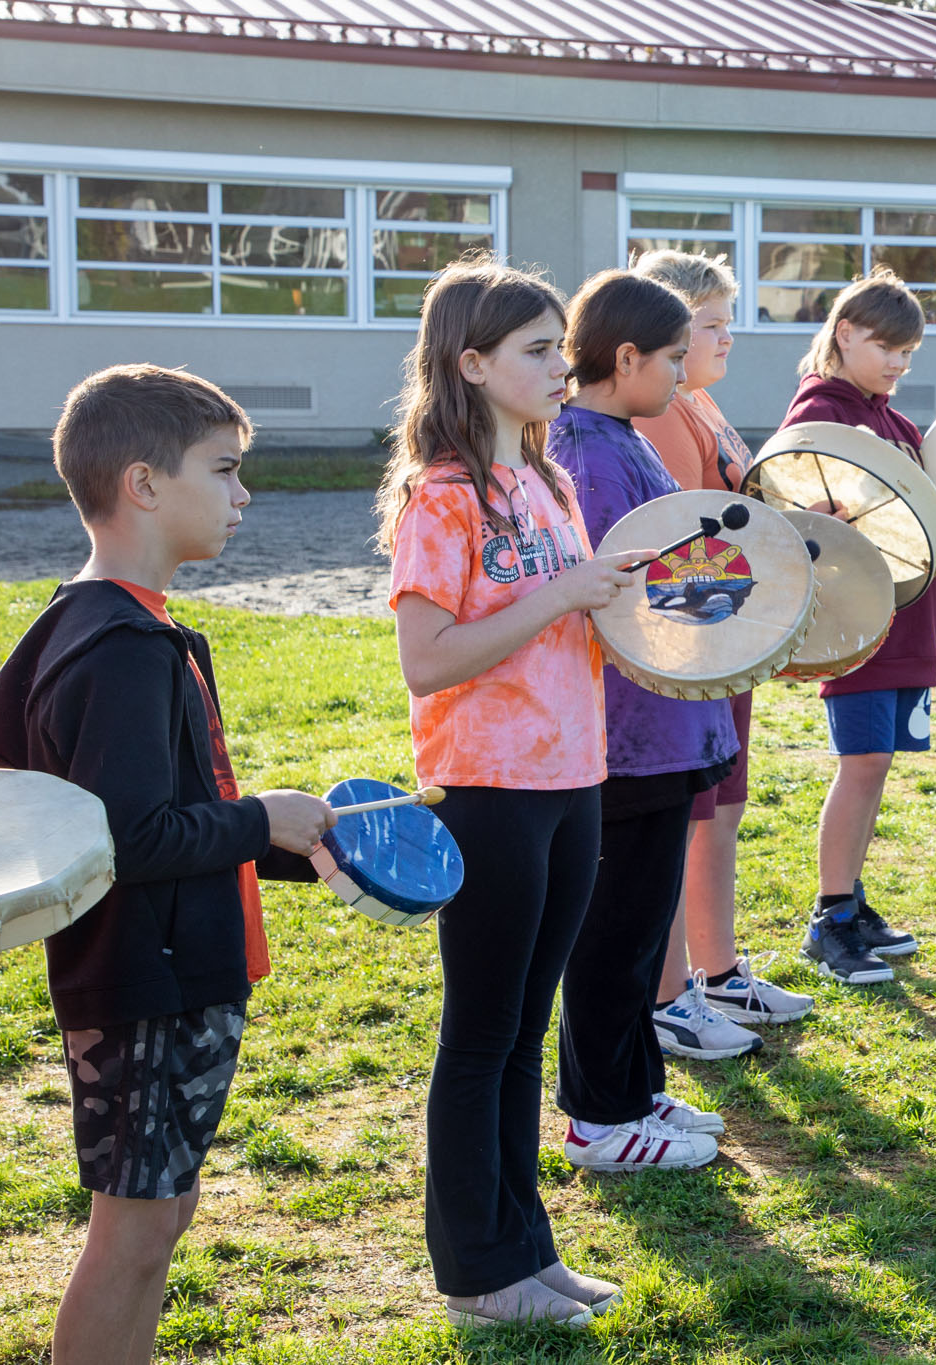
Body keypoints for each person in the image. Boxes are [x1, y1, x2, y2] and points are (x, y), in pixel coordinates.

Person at [0, 364, 333, 1365]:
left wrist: (292, 842)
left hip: (163, 970)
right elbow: (128, 839)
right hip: (147, 987)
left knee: (161, 1221)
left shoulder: (86, 619)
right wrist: (262, 820)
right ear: (142, 484)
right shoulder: (121, 645)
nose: (243, 494)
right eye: (223, 470)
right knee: (133, 1236)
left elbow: (28, 749)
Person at [379, 259, 631, 1328]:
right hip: (488, 790)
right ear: (470, 364)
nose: (558, 368)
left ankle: (526, 1246)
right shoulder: (441, 498)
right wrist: (560, 594)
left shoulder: (547, 479)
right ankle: (477, 1272)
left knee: (525, 1029)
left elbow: (571, 617)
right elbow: (427, 662)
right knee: (481, 1036)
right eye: (536, 350)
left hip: (573, 779)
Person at [546, 270, 746, 1180]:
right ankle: (600, 1116)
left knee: (640, 920)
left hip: (665, 731)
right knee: (615, 932)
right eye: (671, 357)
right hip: (629, 736)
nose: (680, 373)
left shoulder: (619, 435)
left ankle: (635, 1084)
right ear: (624, 357)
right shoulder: (585, 451)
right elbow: (626, 592)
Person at [631, 250, 813, 1043]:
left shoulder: (700, 405)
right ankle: (672, 993)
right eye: (710, 325)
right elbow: (682, 551)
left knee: (721, 815)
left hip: (725, 650)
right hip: (693, 652)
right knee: (687, 822)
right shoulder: (665, 414)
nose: (727, 338)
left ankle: (718, 969)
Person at [786, 267, 929, 983]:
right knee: (862, 761)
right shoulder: (822, 412)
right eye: (888, 347)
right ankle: (829, 916)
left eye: (909, 352)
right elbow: (796, 501)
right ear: (845, 334)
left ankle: (851, 898)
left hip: (907, 619)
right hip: (859, 622)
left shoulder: (891, 417)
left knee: (878, 767)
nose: (900, 364)